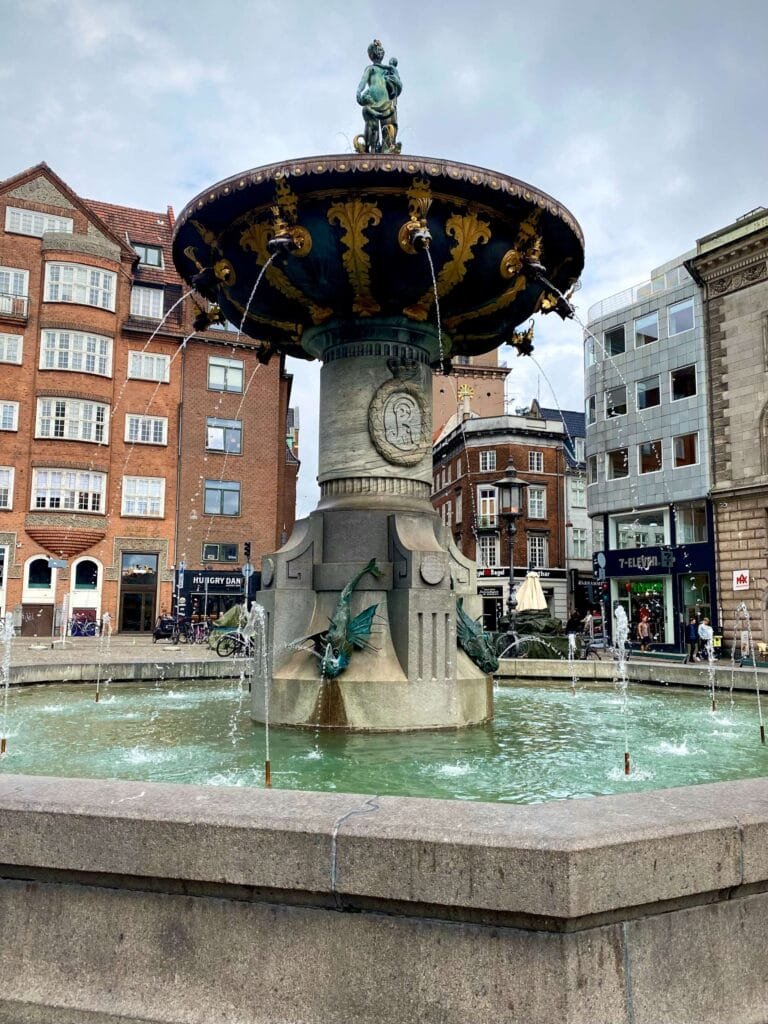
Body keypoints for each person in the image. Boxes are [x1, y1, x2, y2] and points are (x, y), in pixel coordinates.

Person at [355, 39, 402, 153]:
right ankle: (371, 147)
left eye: (380, 50)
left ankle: (387, 147)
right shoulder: (370, 68)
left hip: (385, 100)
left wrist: (394, 78)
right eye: (376, 51)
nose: (378, 53)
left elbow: (398, 83)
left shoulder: (387, 70)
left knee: (387, 126)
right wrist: (359, 91)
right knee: (372, 127)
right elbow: (363, 81)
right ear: (371, 55)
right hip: (372, 101)